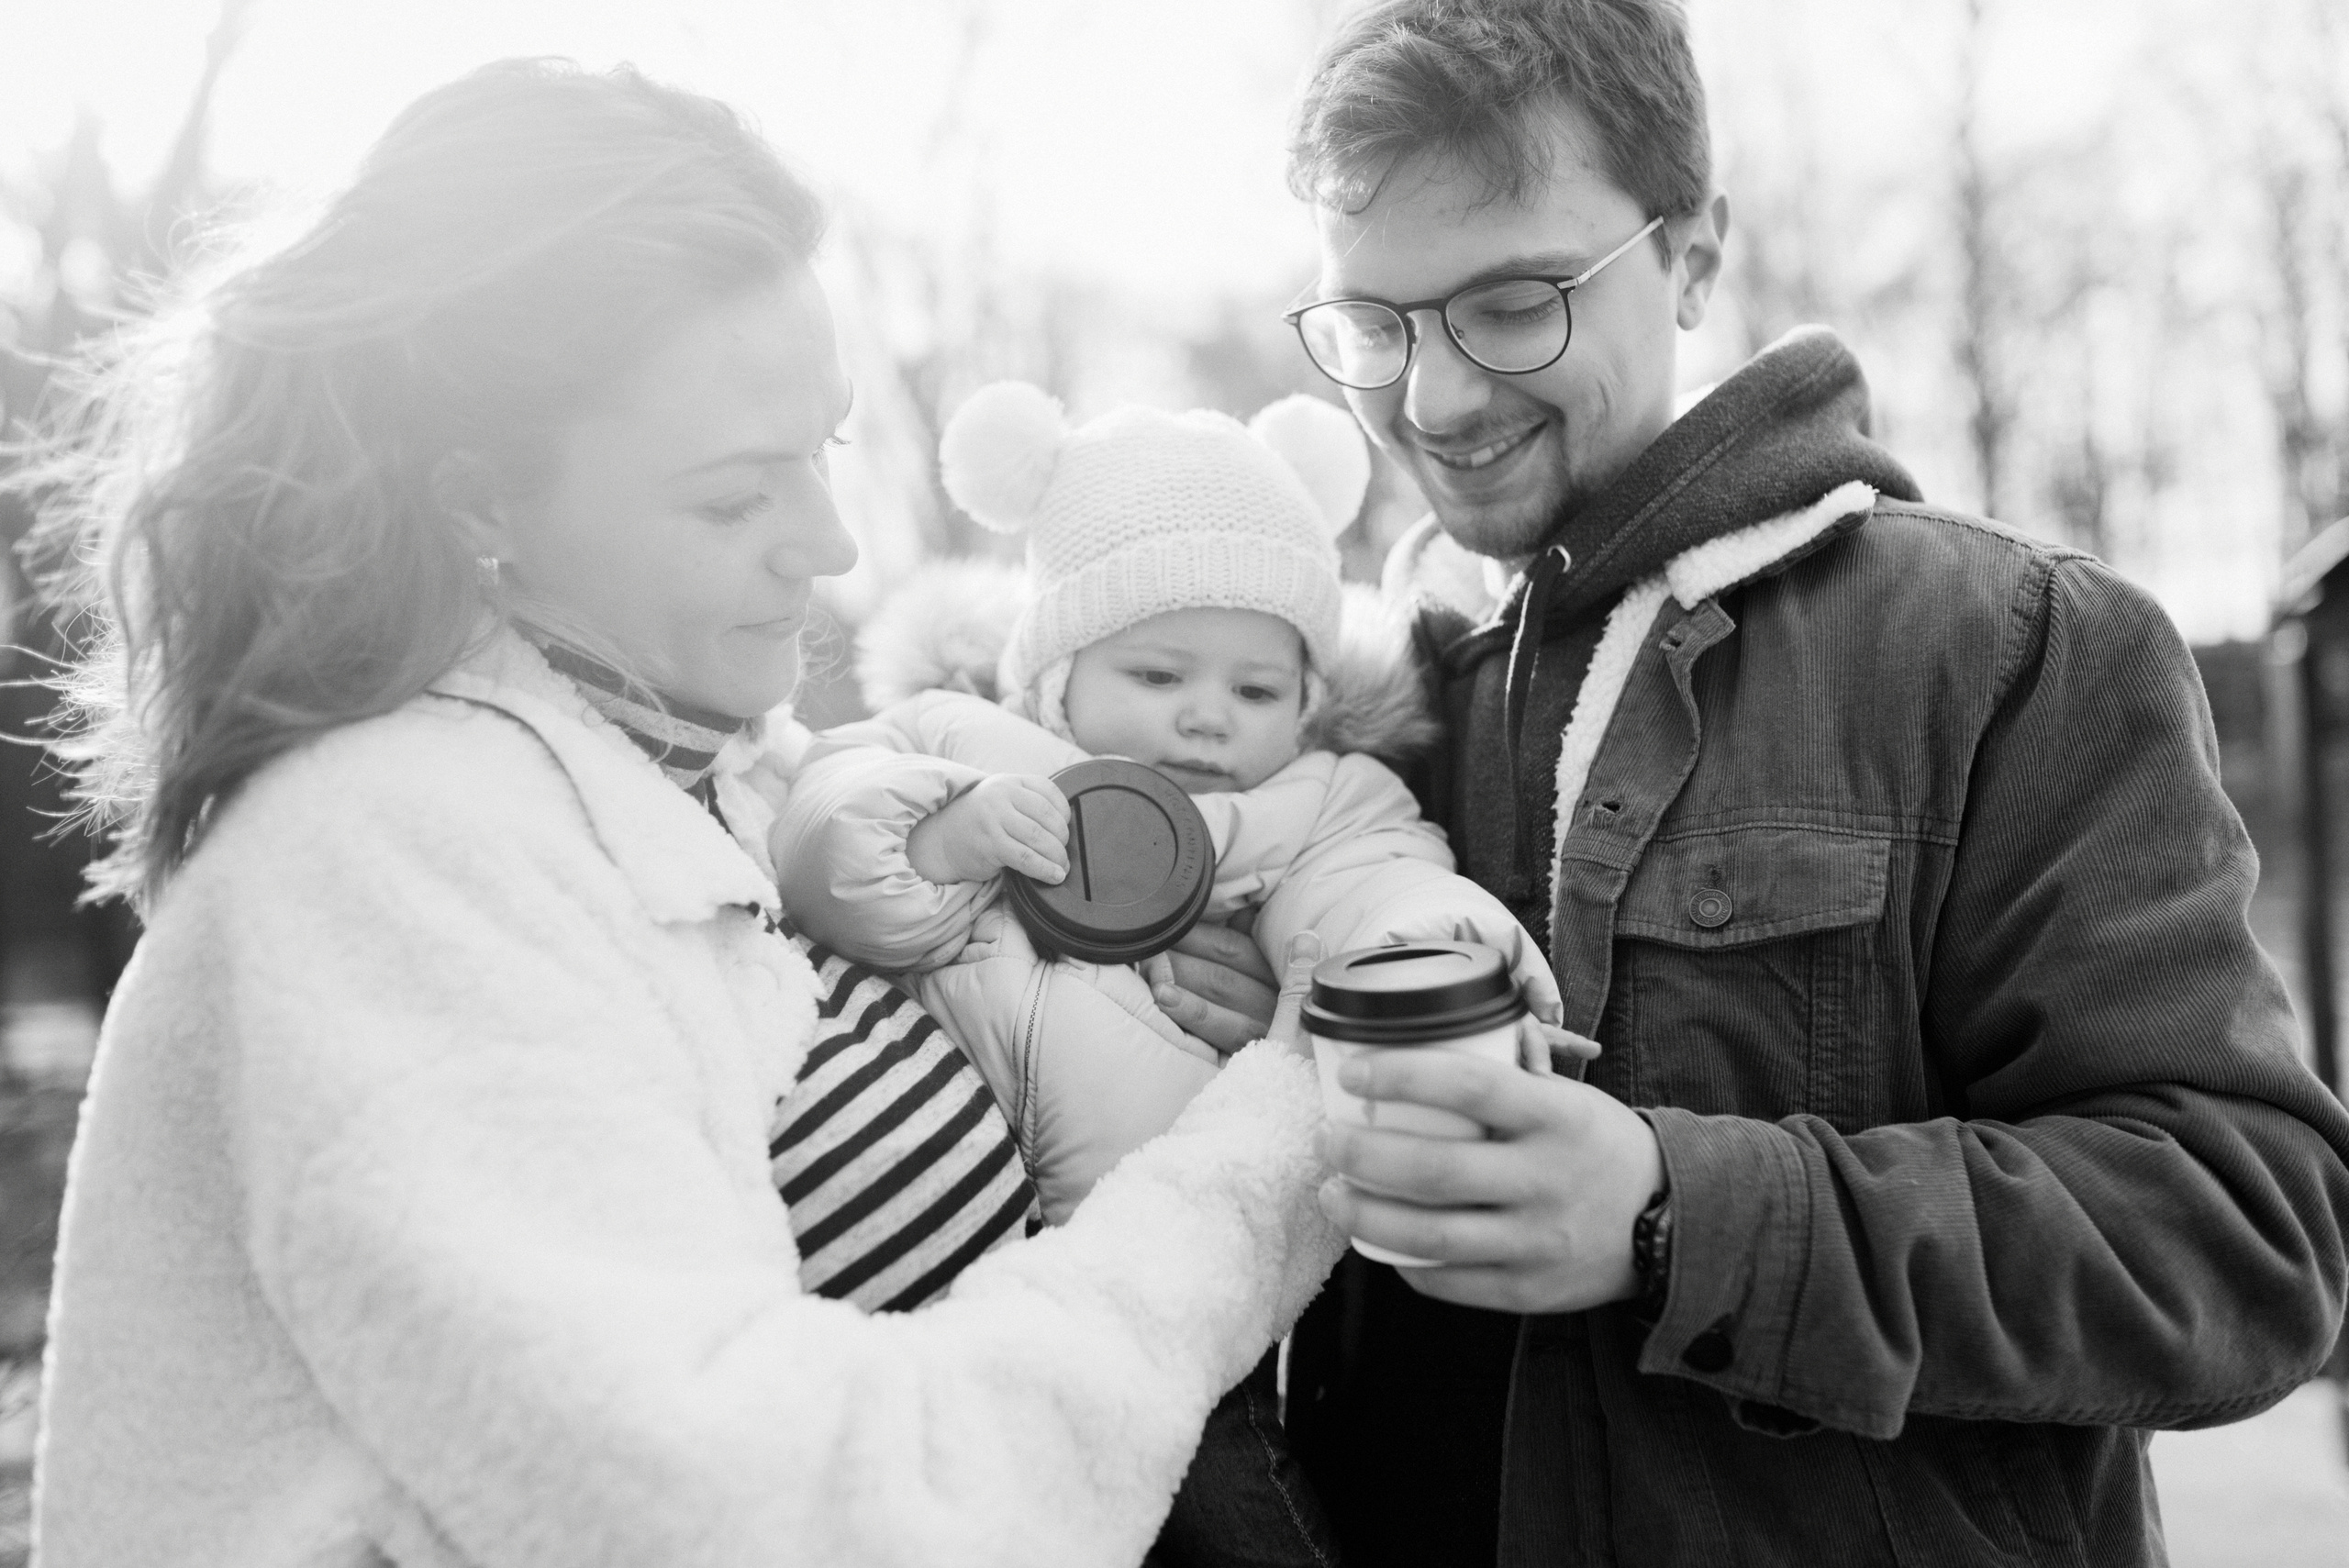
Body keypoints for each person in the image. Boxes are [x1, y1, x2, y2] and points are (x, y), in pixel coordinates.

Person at [25, 60, 1346, 1568]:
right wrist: (1278, 1144)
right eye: (733, 497)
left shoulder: (708, 772)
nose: (832, 542)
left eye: (827, 448)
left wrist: (1171, 1008)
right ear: (480, 504)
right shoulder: (379, 863)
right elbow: (784, 1519)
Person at [1181, 2, 2348, 1564]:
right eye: (1376, 326)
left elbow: (2250, 1238)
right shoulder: (1353, 702)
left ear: (1695, 256)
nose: (1438, 402)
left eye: (1518, 303)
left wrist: (1679, 1216)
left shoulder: (2013, 645)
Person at [775, 381, 1575, 1568]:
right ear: (1055, 673)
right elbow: (821, 837)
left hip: (1172, 1321)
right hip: (924, 1293)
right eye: (1157, 676)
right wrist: (948, 839)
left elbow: (1387, 889)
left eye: (1258, 690)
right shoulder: (962, 747)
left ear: (1306, 700)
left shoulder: (1314, 805)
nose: (1209, 717)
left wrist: (1430, 974)